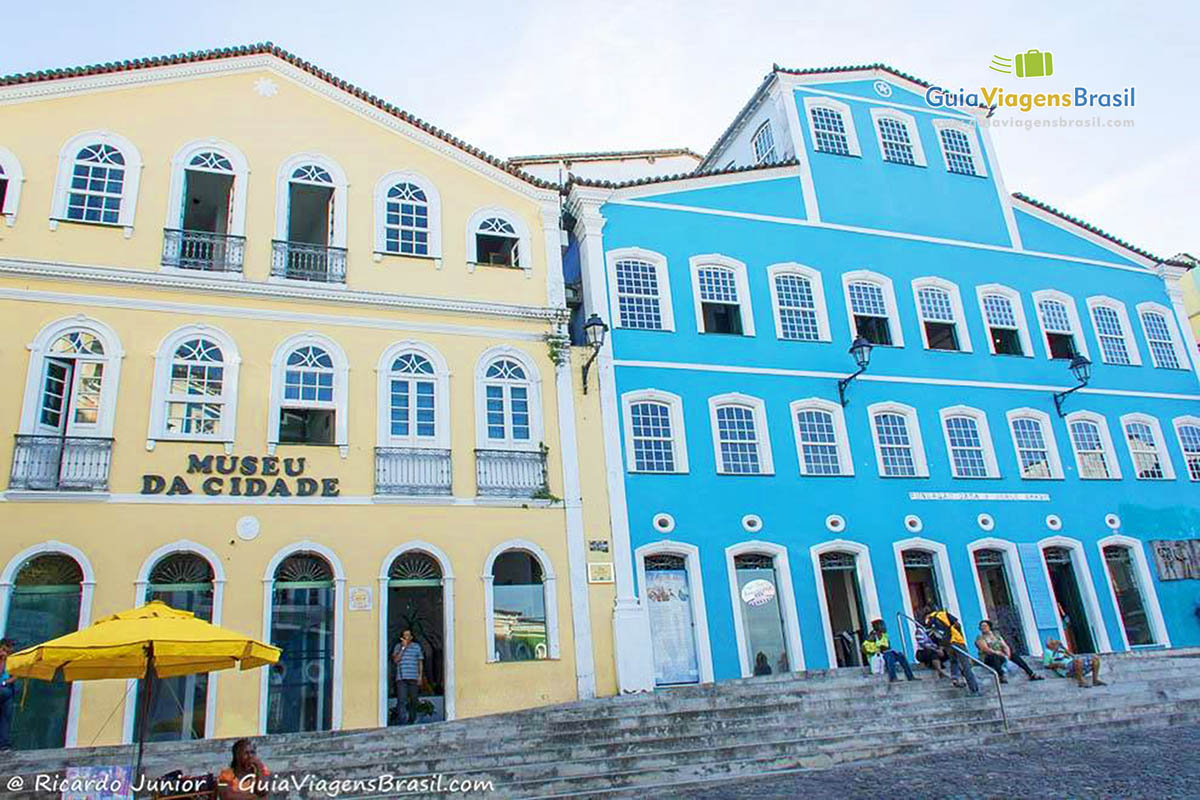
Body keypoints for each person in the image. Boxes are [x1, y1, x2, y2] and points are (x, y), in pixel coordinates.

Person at [924, 607, 978, 694]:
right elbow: (957, 624)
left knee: (953, 661)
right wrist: (959, 634)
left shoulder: (930, 620)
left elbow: (934, 634)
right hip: (956, 640)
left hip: (946, 644)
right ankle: (974, 688)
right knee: (965, 665)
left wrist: (941, 645)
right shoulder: (943, 614)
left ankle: (955, 678)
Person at [975, 620, 1044, 683]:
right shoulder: (980, 637)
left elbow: (1005, 645)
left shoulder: (996, 636)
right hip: (989, 657)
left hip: (1001, 656)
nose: (983, 628)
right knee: (994, 657)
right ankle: (1001, 676)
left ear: (989, 627)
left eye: (985, 626)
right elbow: (985, 649)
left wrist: (1008, 654)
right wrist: (998, 653)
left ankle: (1031, 673)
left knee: (1014, 655)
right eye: (981, 626)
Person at [391, 629, 424, 725]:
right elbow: (396, 660)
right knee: (402, 700)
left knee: (414, 700)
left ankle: (412, 721)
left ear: (411, 637)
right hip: (402, 678)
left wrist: (420, 676)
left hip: (413, 677)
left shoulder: (416, 647)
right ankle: (402, 721)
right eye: (405, 635)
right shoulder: (398, 646)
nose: (407, 637)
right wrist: (403, 648)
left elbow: (420, 662)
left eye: (408, 635)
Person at [912, 613, 947, 678]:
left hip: (935, 649)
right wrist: (936, 650)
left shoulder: (935, 630)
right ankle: (940, 672)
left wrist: (941, 649)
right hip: (922, 652)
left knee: (949, 651)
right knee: (933, 653)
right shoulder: (919, 631)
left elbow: (941, 641)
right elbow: (923, 644)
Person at [0, 639, 15, 751]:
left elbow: (16, 675)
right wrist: (2, 660)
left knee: (6, 718)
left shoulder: (12, 660)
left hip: (7, 690)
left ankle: (4, 745)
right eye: (5, 649)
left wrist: (5, 682)